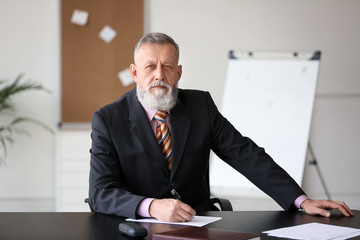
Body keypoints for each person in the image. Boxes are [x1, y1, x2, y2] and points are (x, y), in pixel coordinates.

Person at [89, 32, 354, 222]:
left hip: (198, 224)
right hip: (136, 226)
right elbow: (100, 193)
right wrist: (151, 207)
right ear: (135, 73)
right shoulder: (108, 120)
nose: (159, 75)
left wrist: (301, 200)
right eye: (150, 67)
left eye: (167, 66)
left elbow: (245, 154)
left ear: (178, 73)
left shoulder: (200, 105)